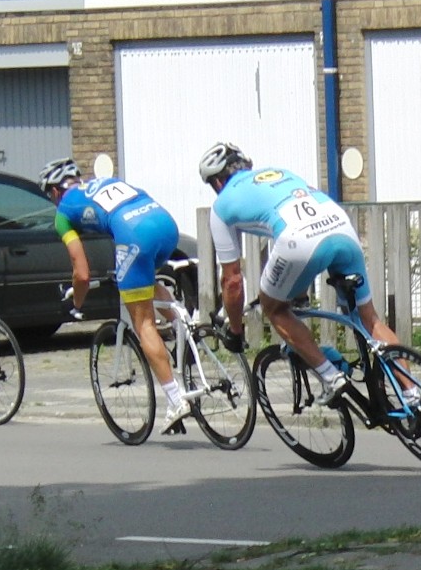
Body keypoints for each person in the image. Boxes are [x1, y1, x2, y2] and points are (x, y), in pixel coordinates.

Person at [198, 142, 396, 402]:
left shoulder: (221, 206)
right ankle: (415, 395)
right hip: (339, 224)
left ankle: (330, 376)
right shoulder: (278, 173)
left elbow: (233, 281)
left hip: (299, 240)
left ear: (218, 183)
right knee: (370, 320)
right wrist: (297, 290)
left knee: (275, 308)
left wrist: (236, 331)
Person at [41, 158, 191, 433]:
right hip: (165, 224)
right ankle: (186, 328)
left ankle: (175, 399)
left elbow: (82, 273)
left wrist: (76, 302)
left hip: (135, 236)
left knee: (143, 323)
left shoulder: (63, 213)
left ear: (53, 192)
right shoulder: (104, 183)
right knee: (146, 280)